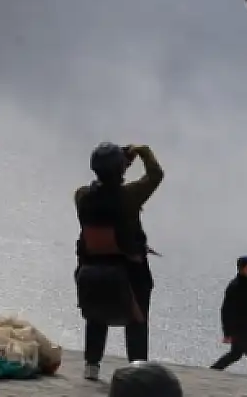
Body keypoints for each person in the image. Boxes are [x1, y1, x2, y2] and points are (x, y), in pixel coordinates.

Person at [75, 141, 165, 382]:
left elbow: (102, 187)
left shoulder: (82, 197)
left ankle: (91, 365)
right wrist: (143, 150)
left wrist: (120, 161)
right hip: (130, 271)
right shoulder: (129, 197)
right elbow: (156, 175)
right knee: (137, 321)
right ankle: (137, 370)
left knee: (96, 316)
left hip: (90, 270)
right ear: (120, 170)